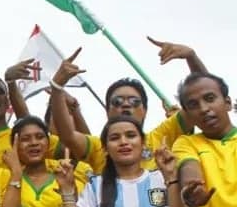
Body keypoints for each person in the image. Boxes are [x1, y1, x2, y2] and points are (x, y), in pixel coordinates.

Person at [49, 40, 203, 174]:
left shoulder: (161, 136)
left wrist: (191, 57)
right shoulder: (98, 147)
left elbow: (201, 100)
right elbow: (67, 135)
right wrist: (57, 87)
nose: (126, 104)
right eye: (117, 102)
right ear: (107, 111)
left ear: (145, 111)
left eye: (134, 102)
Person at [173, 72, 237, 207]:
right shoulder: (186, 143)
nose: (203, 108)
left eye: (210, 98)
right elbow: (189, 168)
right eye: (193, 104)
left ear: (228, 103)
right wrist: (192, 190)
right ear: (188, 114)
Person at [7, 117, 91, 207]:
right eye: (25, 139)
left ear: (48, 142)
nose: (34, 143)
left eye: (40, 137)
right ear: (14, 145)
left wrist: (70, 194)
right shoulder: (6, 180)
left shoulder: (70, 177)